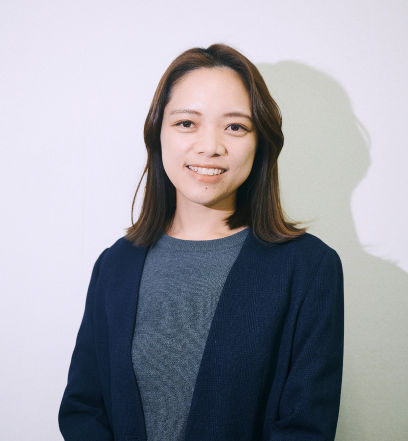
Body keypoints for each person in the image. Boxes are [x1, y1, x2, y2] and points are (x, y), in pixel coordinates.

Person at [58, 44, 344, 441]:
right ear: (158, 134)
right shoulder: (115, 265)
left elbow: (305, 428)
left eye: (235, 127)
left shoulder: (308, 268)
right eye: (187, 123)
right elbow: (83, 410)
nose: (210, 146)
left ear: (260, 142)